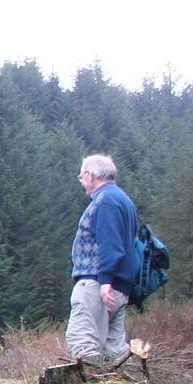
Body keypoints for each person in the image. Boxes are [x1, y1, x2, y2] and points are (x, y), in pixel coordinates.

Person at [66, 153, 138, 364]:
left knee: (82, 339)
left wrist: (105, 281)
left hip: (98, 283)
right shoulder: (124, 200)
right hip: (120, 286)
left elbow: (110, 245)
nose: (82, 183)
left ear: (89, 176)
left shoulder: (105, 201)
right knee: (115, 349)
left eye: (82, 177)